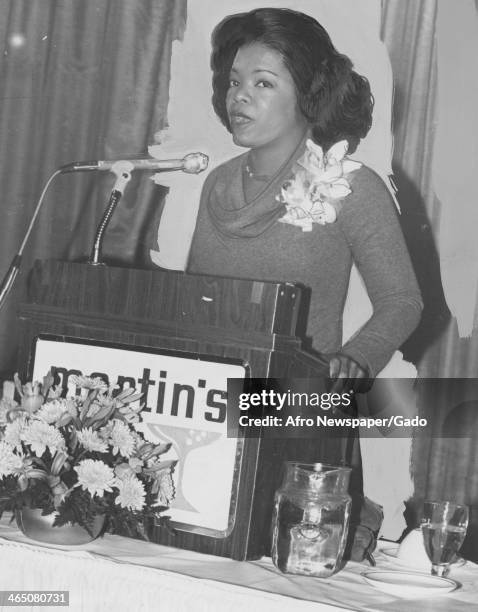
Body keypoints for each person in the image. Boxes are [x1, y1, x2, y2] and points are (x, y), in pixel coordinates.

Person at [187, 7, 423, 388]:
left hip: (298, 412)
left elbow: (402, 301)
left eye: (263, 83)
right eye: (233, 82)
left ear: (309, 92)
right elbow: (193, 298)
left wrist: (356, 357)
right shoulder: (217, 182)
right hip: (208, 403)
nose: (239, 96)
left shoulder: (350, 185)